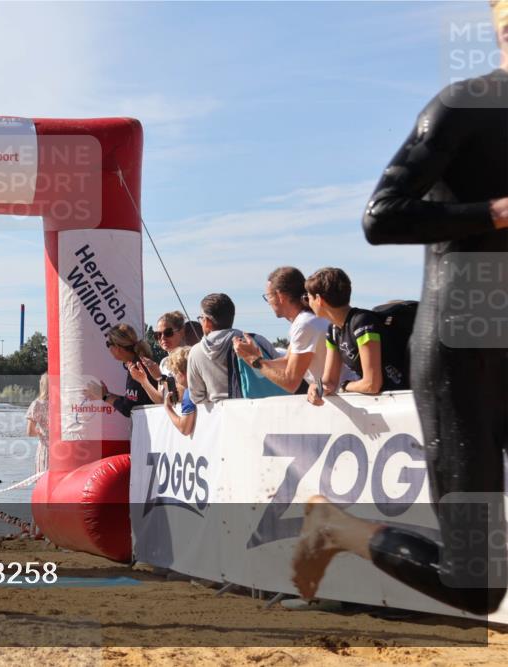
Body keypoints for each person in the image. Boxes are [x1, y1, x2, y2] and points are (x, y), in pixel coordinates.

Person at [293, 1, 508, 615]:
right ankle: (335, 528)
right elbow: (380, 216)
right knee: (476, 582)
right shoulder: (464, 107)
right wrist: (493, 212)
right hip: (461, 361)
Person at [302, 267, 410, 405]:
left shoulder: (362, 322)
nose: (307, 303)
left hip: (402, 401)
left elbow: (372, 384)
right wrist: (316, 387)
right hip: (385, 403)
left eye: (307, 297)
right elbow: (329, 381)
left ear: (318, 299)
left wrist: (345, 386)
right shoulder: (333, 330)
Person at [233, 267, 329, 395]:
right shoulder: (307, 319)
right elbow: (287, 362)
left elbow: (291, 383)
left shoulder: (303, 324)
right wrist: (257, 359)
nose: (268, 303)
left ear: (280, 296)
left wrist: (254, 360)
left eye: (268, 296)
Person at [187, 293, 278, 405]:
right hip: (262, 408)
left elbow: (196, 397)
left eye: (201, 318)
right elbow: (281, 370)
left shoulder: (196, 352)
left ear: (207, 322)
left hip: (222, 416)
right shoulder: (256, 340)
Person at [82, 324, 155, 417]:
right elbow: (132, 402)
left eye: (108, 344)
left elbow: (129, 409)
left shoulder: (137, 367)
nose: (108, 348)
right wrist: (106, 395)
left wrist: (105, 396)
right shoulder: (137, 362)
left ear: (118, 347)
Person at [136, 311, 191, 404]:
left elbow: (188, 393)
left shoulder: (190, 356)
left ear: (181, 332)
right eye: (158, 335)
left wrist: (160, 378)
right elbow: (161, 400)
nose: (162, 338)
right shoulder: (164, 362)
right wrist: (144, 381)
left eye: (168, 333)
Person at [162, 346, 197, 436]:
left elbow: (184, 429)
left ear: (181, 373)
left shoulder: (189, 392)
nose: (175, 378)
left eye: (175, 372)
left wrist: (168, 407)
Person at [26, 373, 49, 474]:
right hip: (64, 450)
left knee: (43, 483)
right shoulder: (64, 403)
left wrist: (40, 432)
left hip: (46, 450)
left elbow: (30, 432)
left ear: (42, 385)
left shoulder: (37, 404)